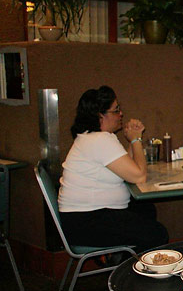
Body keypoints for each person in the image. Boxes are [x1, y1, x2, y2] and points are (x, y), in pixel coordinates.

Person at [58, 86, 169, 253]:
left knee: (146, 209)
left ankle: (129, 262)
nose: (121, 114)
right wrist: (136, 140)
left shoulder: (94, 137)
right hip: (85, 222)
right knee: (157, 233)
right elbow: (139, 176)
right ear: (100, 115)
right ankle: (132, 272)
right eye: (116, 110)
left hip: (84, 217)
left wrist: (132, 140)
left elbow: (127, 167)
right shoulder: (99, 140)